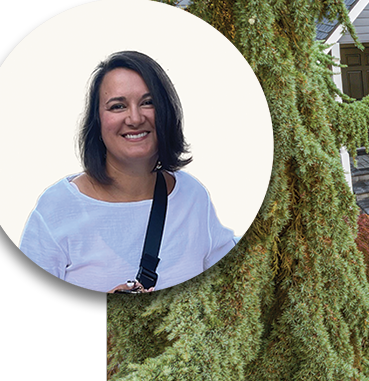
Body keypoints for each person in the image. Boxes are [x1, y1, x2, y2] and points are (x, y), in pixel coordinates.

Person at [19, 51, 235, 292]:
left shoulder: (192, 196)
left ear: (165, 112)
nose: (134, 118)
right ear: (97, 122)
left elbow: (239, 278)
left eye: (147, 102)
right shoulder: (56, 208)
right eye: (118, 106)